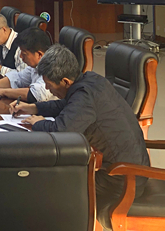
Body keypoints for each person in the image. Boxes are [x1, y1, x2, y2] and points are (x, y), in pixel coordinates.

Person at [11, 45, 149, 230]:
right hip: (128, 170)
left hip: (121, 178)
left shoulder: (84, 95)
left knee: (49, 183)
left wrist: (38, 123)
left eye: (49, 85)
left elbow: (61, 130)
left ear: (66, 81)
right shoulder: (91, 80)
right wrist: (35, 108)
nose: (48, 89)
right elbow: (68, 105)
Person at [0, 27, 54, 102]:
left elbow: (35, 95)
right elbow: (18, 78)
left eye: (24, 54)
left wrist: (2, 92)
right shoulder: (35, 66)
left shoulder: (52, 68)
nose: (21, 56)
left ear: (39, 55)